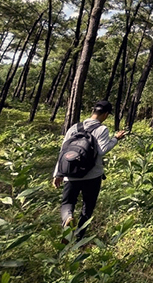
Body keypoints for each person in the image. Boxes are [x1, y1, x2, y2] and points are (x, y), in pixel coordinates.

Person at [52, 100, 126, 238]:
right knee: (88, 206)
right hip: (92, 175)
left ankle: (67, 221)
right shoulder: (101, 129)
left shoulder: (74, 127)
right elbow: (102, 150)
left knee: (68, 203)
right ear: (105, 114)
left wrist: (58, 173)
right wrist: (115, 139)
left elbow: (63, 151)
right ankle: (79, 237)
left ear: (93, 111)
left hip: (70, 173)